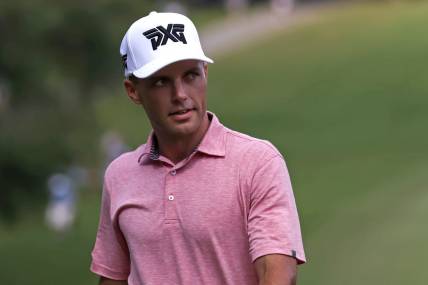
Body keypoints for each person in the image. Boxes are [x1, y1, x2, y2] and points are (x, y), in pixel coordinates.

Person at [90, 11, 306, 285]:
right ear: (133, 90)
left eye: (190, 75)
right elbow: (113, 277)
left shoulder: (257, 162)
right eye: (161, 82)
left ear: (205, 73)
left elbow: (277, 273)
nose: (180, 94)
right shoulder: (119, 176)